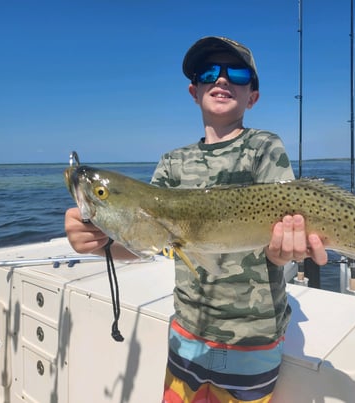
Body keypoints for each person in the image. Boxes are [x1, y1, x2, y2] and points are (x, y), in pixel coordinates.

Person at [65, 36, 327, 402]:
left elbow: (280, 235)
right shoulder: (172, 163)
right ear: (194, 91)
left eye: (235, 73)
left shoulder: (263, 148)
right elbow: (150, 243)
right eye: (209, 72)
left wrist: (286, 251)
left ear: (252, 96)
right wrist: (101, 242)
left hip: (251, 342)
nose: (221, 80)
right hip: (185, 336)